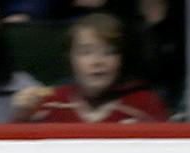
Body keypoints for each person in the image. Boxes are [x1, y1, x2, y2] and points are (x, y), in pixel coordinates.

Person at [16, 12, 167, 122]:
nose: (97, 61)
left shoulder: (146, 106)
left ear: (121, 59)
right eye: (86, 52)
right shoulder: (48, 104)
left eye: (109, 52)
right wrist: (22, 116)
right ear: (70, 58)